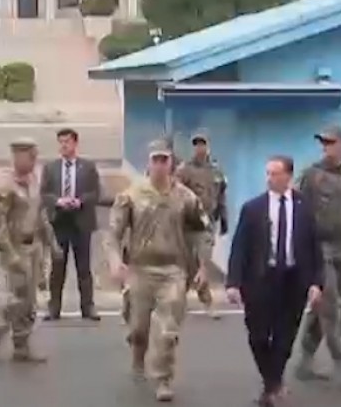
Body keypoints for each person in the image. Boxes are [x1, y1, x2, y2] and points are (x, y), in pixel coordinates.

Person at [106, 140, 210, 402]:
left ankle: (163, 379)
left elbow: (201, 231)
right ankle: (137, 356)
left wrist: (203, 265)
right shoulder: (131, 195)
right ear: (149, 162)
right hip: (140, 270)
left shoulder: (185, 197)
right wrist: (115, 260)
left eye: (165, 160)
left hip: (173, 271)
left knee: (167, 330)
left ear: (172, 163)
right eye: (156, 160)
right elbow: (113, 233)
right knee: (138, 328)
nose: (160, 165)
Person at [227, 155, 324, 407]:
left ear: (288, 176)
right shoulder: (253, 208)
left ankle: (271, 386)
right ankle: (273, 383)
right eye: (268, 173)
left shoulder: (305, 207)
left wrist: (316, 282)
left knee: (284, 337)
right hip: (260, 279)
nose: (269, 178)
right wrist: (233, 283)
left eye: (275, 173)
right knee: (258, 336)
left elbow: (315, 247)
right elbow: (240, 248)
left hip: (293, 279)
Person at [293, 125, 341, 394]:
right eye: (323, 143)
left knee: (321, 309)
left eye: (330, 142)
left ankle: (305, 361)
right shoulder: (311, 175)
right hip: (319, 249)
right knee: (331, 308)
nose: (325, 147)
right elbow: (298, 212)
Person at [0, 137, 60, 363]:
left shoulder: (34, 179)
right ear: (17, 156)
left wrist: (52, 243)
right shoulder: (4, 186)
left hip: (34, 245)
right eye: (31, 156)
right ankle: (9, 328)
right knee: (20, 297)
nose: (34, 161)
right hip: (15, 246)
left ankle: (14, 336)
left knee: (30, 299)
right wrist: (10, 254)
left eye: (35, 156)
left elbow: (41, 214)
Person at [42, 128, 102, 321]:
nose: (63, 146)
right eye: (60, 142)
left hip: (81, 221)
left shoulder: (88, 167)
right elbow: (44, 193)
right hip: (59, 222)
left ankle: (88, 306)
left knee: (83, 267)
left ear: (75, 143)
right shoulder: (50, 168)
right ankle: (54, 307)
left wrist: (80, 201)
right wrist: (57, 201)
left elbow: (96, 193)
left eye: (67, 142)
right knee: (57, 267)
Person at [174, 133, 228, 319]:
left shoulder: (216, 171)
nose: (199, 148)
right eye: (196, 145)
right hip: (188, 223)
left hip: (207, 224)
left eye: (202, 144)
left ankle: (207, 303)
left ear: (207, 146)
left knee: (203, 261)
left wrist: (224, 219)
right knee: (189, 265)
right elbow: (175, 194)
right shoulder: (184, 170)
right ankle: (180, 300)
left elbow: (221, 196)